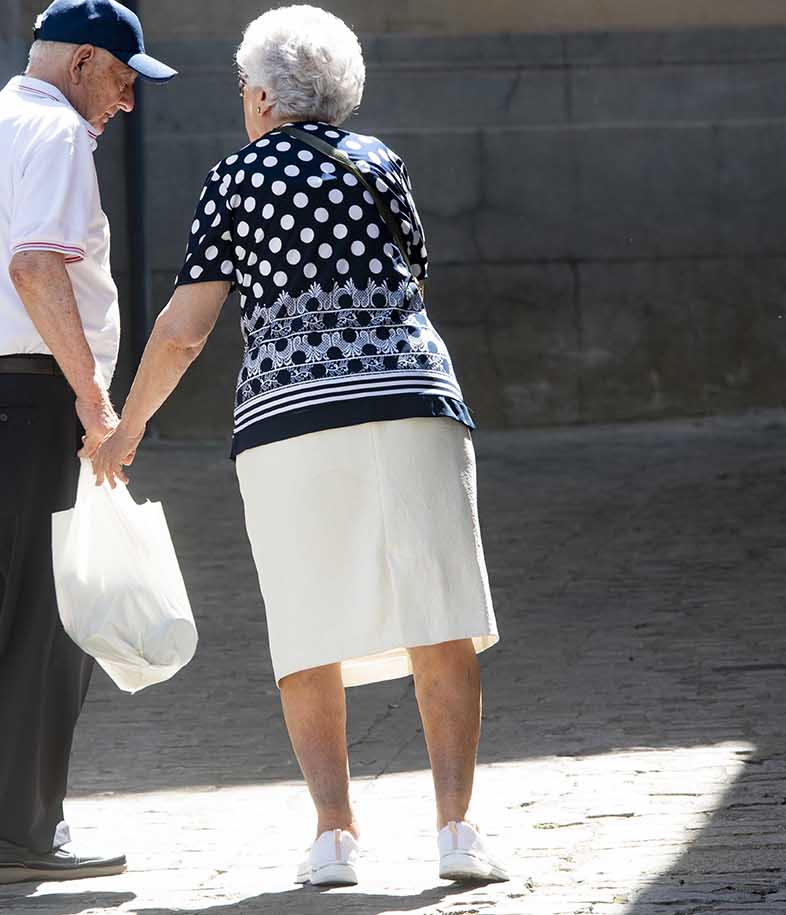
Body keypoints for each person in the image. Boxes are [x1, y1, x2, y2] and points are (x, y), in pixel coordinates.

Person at [92, 4, 507, 888]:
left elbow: (184, 328)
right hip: (411, 398)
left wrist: (127, 428)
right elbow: (413, 275)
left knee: (306, 624)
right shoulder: (381, 164)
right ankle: (459, 830)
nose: (243, 99)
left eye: (245, 86)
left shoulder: (236, 177)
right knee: (441, 617)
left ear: (266, 95)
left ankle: (334, 836)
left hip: (291, 418)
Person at [0, 0, 175, 885]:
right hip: (27, 398)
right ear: (86, 62)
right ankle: (21, 833)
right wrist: (95, 401)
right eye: (124, 80)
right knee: (46, 618)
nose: (125, 102)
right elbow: (34, 265)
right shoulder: (53, 137)